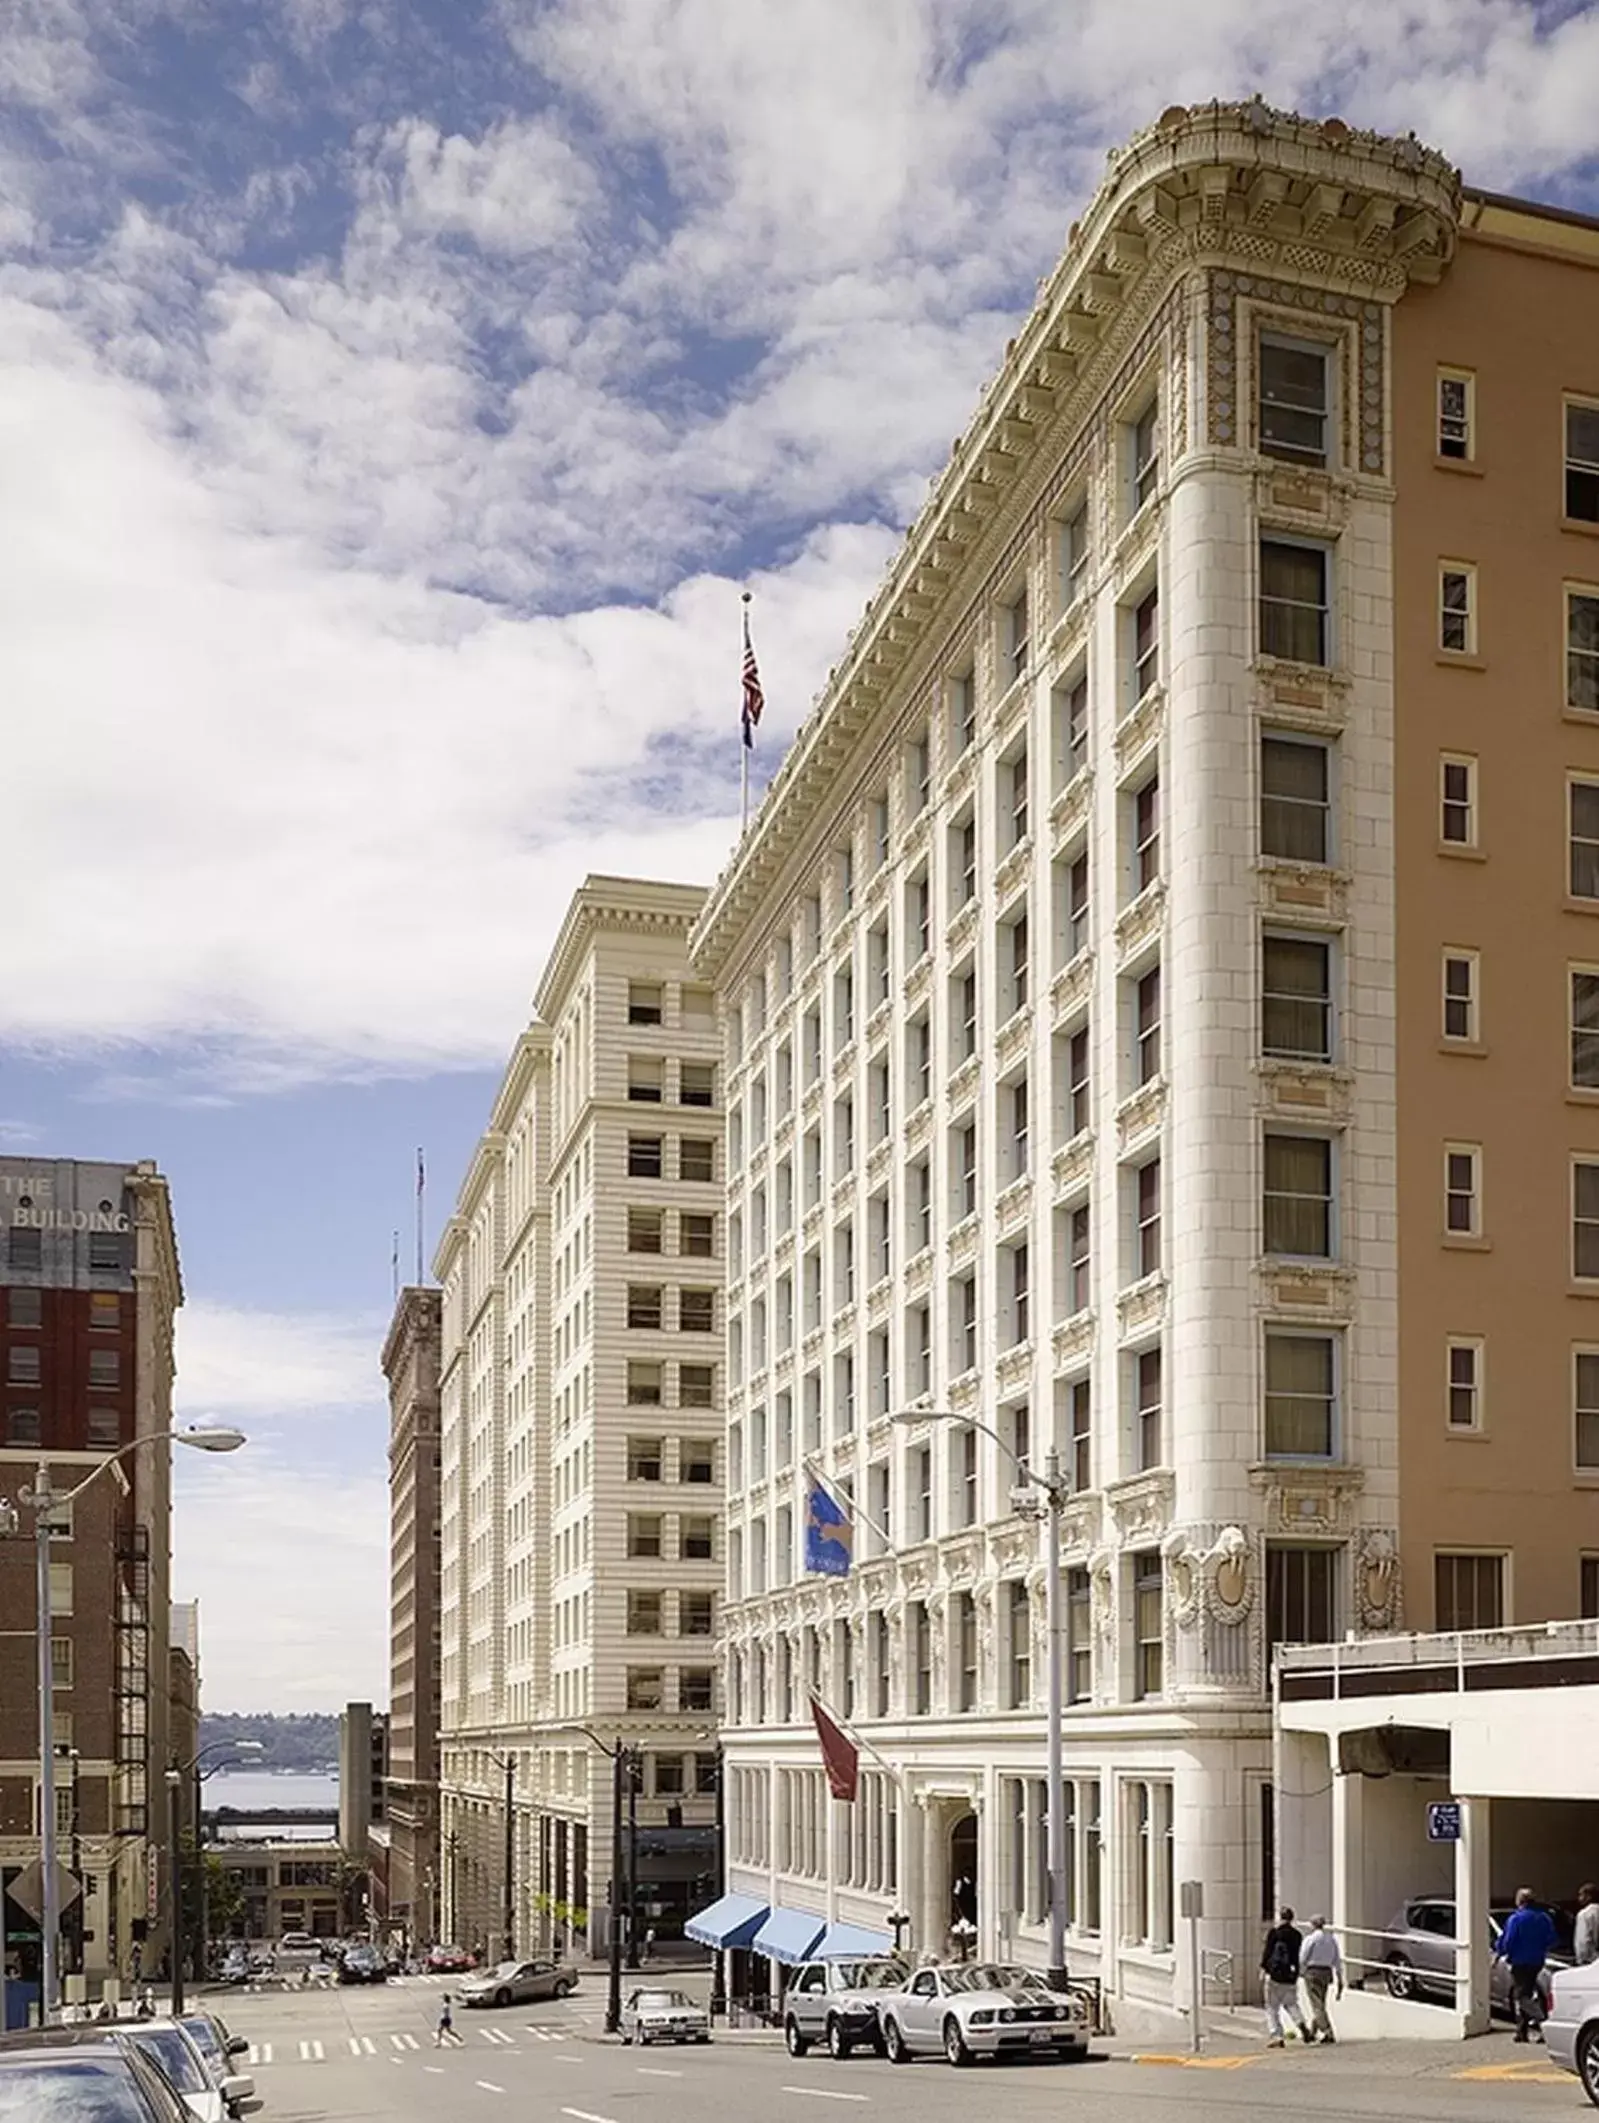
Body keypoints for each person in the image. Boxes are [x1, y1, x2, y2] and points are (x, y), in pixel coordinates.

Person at [1496, 1888, 1558, 2043]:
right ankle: (1521, 2031)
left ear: (1520, 1901)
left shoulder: (1516, 1919)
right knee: (1527, 1993)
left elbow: (1508, 1941)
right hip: (1537, 1961)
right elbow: (1552, 1939)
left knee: (1522, 1996)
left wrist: (1502, 1951)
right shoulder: (1544, 1918)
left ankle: (1544, 2022)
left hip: (1519, 1962)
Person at [1260, 1906, 1309, 2047]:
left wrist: (1263, 1968)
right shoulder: (1297, 1935)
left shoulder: (1274, 1933)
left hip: (1274, 1976)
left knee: (1271, 2008)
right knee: (1291, 2004)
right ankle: (1301, 2024)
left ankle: (1277, 2036)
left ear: (1279, 1917)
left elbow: (1268, 1952)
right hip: (1291, 1976)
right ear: (1292, 1918)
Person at [1299, 1916, 1344, 2043]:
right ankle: (1312, 2031)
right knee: (1320, 2003)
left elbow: (1302, 1957)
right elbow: (1337, 1959)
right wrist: (1339, 1977)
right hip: (1326, 1971)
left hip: (1313, 1971)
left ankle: (1328, 2031)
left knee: (1316, 2005)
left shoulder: (1310, 1939)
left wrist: (1301, 1970)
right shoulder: (1331, 1939)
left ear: (1312, 1925)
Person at [1576, 1884, 1599, 1967]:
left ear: (1589, 1896)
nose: (1579, 1898)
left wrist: (1581, 1959)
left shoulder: (1584, 1914)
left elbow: (1583, 1941)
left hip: (1591, 1961)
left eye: (1580, 1895)